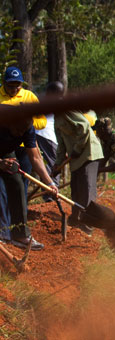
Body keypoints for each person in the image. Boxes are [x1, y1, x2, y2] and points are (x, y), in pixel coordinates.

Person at [0, 66, 47, 240]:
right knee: (2, 190)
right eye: (10, 86)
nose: (14, 89)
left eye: (17, 85)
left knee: (20, 185)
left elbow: (42, 121)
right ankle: (3, 231)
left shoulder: (29, 97)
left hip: (23, 147)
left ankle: (18, 229)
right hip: (4, 146)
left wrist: (26, 127)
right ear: (4, 84)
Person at [0, 111, 58, 250]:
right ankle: (2, 234)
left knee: (18, 184)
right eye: (18, 130)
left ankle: (20, 235)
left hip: (5, 152)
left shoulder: (27, 128)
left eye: (23, 131)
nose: (20, 134)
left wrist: (49, 182)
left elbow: (35, 158)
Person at [52, 82, 103, 236]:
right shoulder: (56, 117)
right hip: (76, 157)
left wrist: (76, 150)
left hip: (88, 153)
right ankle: (75, 221)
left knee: (86, 189)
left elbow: (85, 128)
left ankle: (88, 226)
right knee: (76, 189)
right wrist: (57, 165)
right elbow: (61, 145)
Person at [36, 82, 62, 202]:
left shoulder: (40, 99)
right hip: (47, 136)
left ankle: (48, 194)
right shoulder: (53, 102)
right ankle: (52, 196)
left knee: (45, 165)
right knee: (53, 166)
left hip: (37, 134)